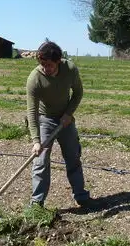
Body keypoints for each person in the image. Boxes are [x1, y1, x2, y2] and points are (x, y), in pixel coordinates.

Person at [26, 41, 92, 207]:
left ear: (59, 61)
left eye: (49, 65)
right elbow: (32, 111)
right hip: (45, 120)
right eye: (42, 64)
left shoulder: (70, 69)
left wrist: (68, 114)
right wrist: (35, 140)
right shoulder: (35, 79)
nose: (46, 68)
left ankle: (81, 195)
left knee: (73, 157)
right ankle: (37, 202)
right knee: (40, 160)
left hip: (65, 120)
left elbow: (78, 93)